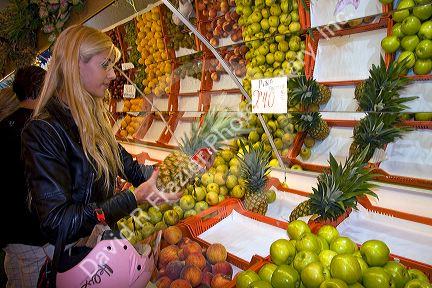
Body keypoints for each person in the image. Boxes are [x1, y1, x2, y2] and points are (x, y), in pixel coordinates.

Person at [21, 25, 180, 286]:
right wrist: (133, 197)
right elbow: (58, 223)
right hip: (72, 259)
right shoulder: (43, 131)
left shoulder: (91, 120)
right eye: (105, 65)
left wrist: (172, 175)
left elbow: (128, 166)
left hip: (100, 252)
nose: (112, 74)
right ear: (75, 66)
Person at [0, 66, 47, 288]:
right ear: (43, 89)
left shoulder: (4, 127)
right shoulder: (42, 129)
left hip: (12, 235)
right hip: (35, 234)